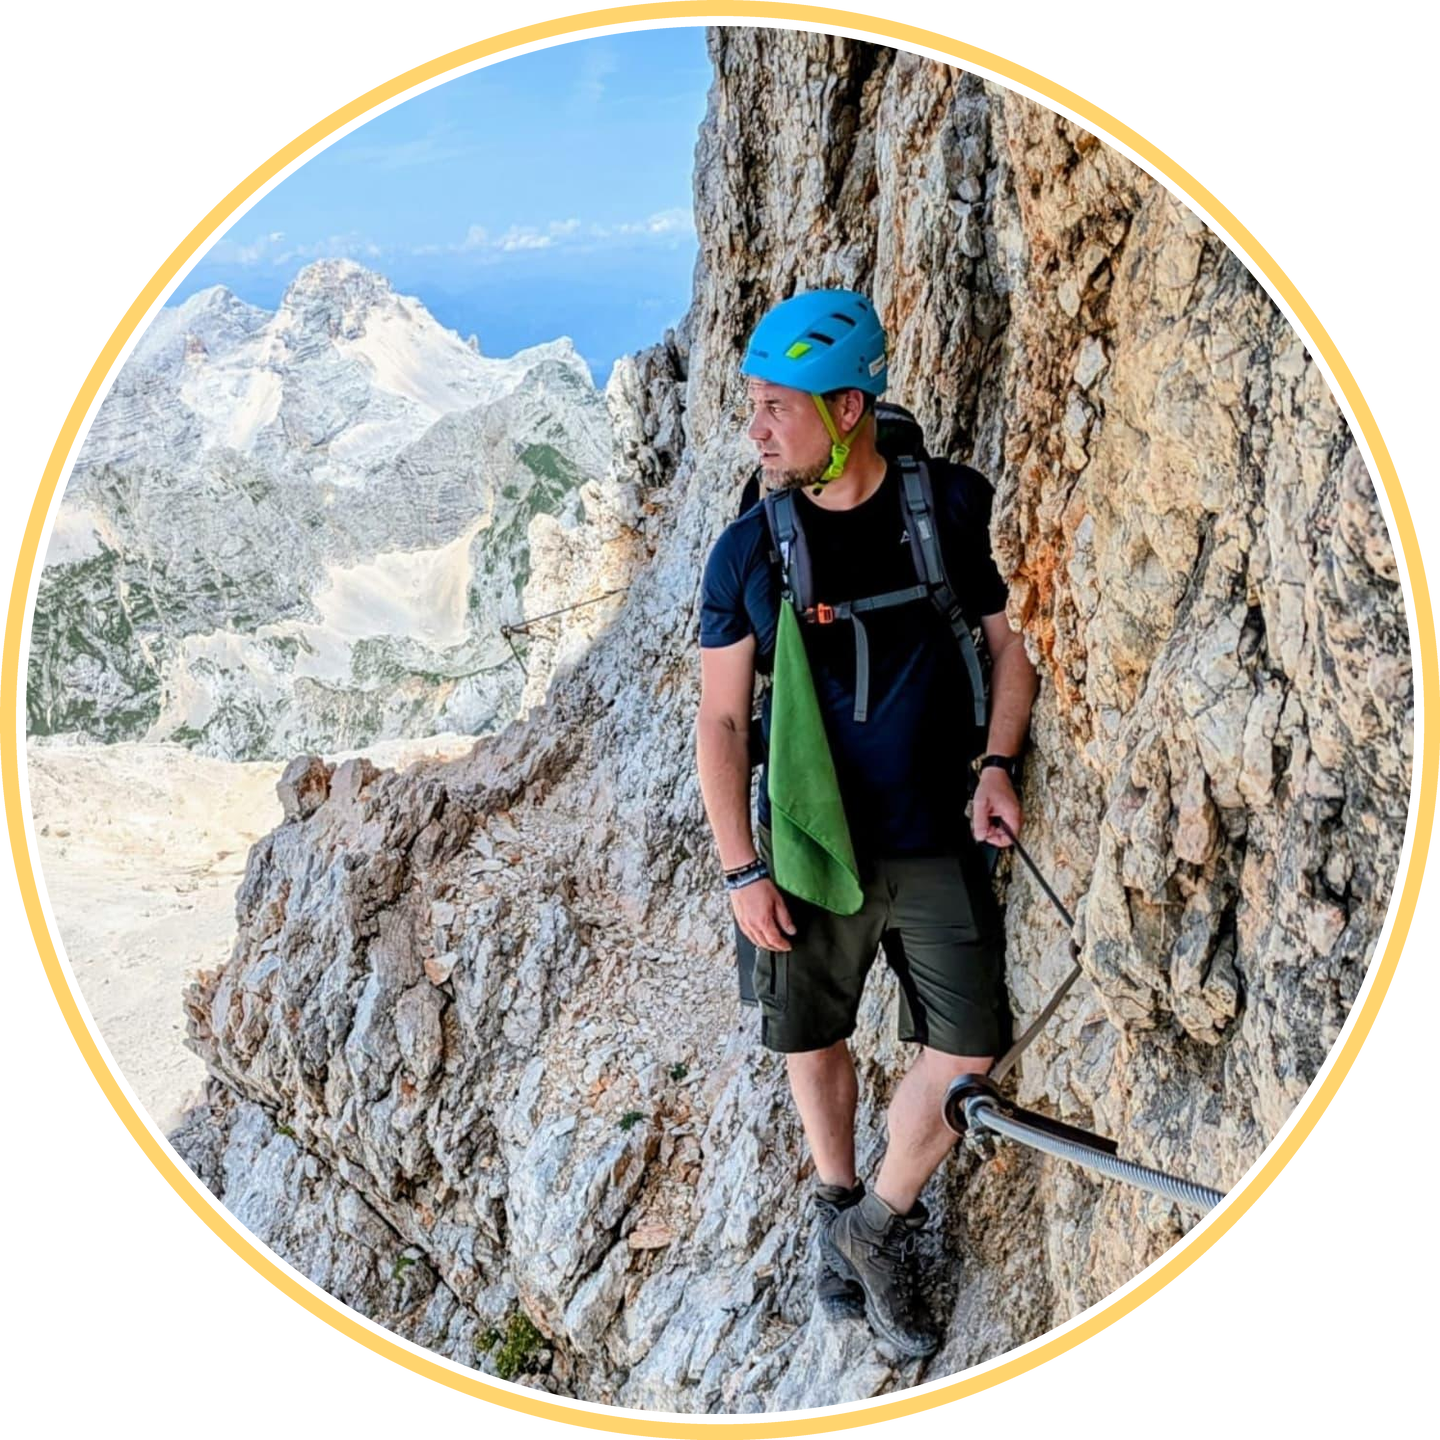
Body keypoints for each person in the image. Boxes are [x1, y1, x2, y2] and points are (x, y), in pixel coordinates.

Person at [694, 288, 1039, 1359]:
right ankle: (838, 1200)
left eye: (777, 407)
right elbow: (720, 720)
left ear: (847, 408)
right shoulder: (749, 552)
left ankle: (877, 1229)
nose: (756, 430)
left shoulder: (952, 508)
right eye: (752, 405)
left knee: (969, 1050)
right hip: (808, 849)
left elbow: (1011, 648)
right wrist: (741, 869)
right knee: (814, 1033)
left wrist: (997, 765)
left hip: (936, 832)